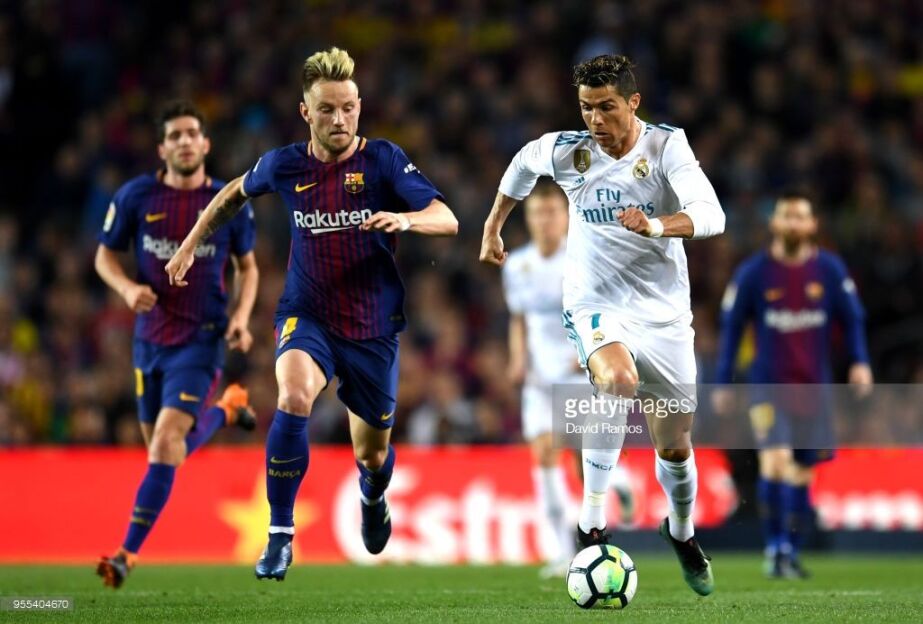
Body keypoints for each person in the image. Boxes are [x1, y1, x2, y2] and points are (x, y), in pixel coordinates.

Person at [164, 47, 458, 580]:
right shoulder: (285, 164)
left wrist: (405, 220)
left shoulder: (384, 160)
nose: (339, 119)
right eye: (326, 109)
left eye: (348, 107)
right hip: (308, 312)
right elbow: (233, 193)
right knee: (293, 395)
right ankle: (280, 533)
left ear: (359, 106)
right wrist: (190, 244)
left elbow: (447, 217)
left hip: (371, 327)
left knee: (372, 457)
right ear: (306, 112)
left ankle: (372, 496)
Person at [480, 54, 725, 596]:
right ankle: (591, 523)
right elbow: (522, 164)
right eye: (586, 107)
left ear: (633, 103)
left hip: (663, 315)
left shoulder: (665, 146)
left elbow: (713, 215)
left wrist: (656, 225)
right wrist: (494, 224)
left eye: (607, 107)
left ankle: (681, 531)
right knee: (617, 380)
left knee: (675, 445)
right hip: (595, 302)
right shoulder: (569, 151)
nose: (595, 119)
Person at [94, 100, 259, 589]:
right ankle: (226, 411)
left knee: (167, 443)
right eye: (175, 135)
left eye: (192, 133)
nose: (184, 141)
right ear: (162, 148)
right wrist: (127, 289)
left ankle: (126, 554)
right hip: (149, 341)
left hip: (201, 340)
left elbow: (248, 268)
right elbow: (104, 257)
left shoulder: (227, 202)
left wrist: (241, 318)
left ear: (206, 144)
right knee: (165, 452)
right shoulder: (136, 197)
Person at [713, 190, 872, 578]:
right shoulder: (754, 273)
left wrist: (860, 362)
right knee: (776, 460)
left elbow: (853, 318)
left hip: (814, 387)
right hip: (767, 386)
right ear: (774, 222)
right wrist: (722, 380)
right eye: (787, 215)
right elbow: (732, 327)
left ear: (813, 224)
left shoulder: (829, 270)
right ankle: (774, 549)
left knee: (802, 471)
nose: (793, 223)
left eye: (800, 216)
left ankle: (790, 553)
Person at [502, 181, 633, 578]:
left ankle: (619, 481)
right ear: (529, 219)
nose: (545, 220)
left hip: (579, 374)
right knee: (544, 453)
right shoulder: (517, 265)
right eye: (537, 213)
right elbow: (519, 318)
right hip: (539, 380)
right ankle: (562, 550)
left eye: (552, 212)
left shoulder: (583, 260)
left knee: (580, 463)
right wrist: (517, 359)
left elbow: (611, 309)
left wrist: (593, 352)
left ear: (566, 217)